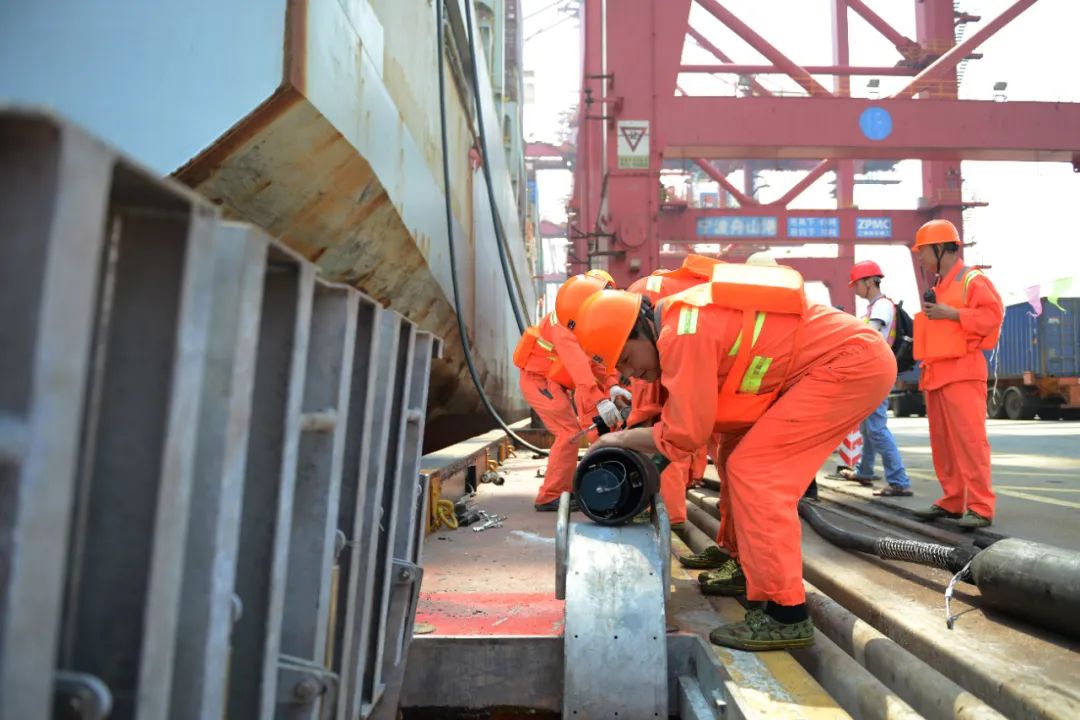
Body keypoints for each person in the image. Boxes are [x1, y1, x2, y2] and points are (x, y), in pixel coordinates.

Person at [572, 263, 896, 651]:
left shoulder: (682, 331)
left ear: (638, 329)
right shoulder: (676, 323)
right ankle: (748, 567)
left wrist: (620, 440)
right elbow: (691, 424)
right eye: (622, 370)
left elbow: (685, 435)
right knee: (733, 453)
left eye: (627, 359)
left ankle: (784, 612)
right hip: (831, 366)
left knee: (756, 471)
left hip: (849, 364)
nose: (632, 373)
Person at [911, 220, 1003, 529]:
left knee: (970, 441)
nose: (920, 258)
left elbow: (992, 316)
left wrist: (952, 314)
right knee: (944, 443)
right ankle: (952, 500)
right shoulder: (941, 284)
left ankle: (980, 506)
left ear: (940, 249)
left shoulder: (971, 279)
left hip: (962, 372)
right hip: (936, 372)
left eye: (923, 251)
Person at [623, 254, 722, 526]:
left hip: (673, 367)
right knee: (713, 445)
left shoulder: (642, 296)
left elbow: (674, 432)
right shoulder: (679, 290)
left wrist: (628, 429)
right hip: (702, 372)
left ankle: (670, 515)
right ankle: (674, 510)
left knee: (673, 435)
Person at [514, 273, 621, 511]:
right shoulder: (563, 328)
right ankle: (549, 496)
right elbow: (581, 370)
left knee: (572, 431)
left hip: (553, 382)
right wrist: (601, 400)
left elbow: (597, 360)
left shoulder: (578, 320)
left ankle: (565, 489)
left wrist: (612, 383)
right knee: (568, 432)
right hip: (538, 381)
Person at [845, 260, 913, 497]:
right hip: (874, 370)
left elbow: (870, 335)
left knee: (876, 427)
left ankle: (899, 481)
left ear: (868, 282)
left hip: (877, 371)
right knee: (868, 425)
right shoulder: (874, 307)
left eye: (857, 284)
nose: (854, 289)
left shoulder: (882, 306)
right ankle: (864, 470)